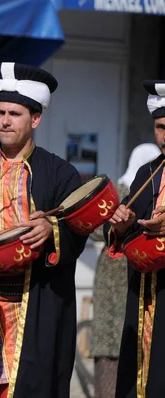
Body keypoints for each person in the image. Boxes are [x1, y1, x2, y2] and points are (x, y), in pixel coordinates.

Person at [0, 62, 88, 398]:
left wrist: (52, 228)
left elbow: (79, 227)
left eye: (14, 114)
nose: (5, 121)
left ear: (35, 119)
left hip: (33, 304)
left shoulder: (60, 173)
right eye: (0, 112)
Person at [108, 80, 165, 397]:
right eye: (160, 127)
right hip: (143, 295)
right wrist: (122, 224)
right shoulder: (147, 173)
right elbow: (124, 231)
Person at [90, 143, 160, 398]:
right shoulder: (138, 190)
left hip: (113, 270)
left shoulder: (120, 190)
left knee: (113, 342)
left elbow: (98, 230)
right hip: (132, 270)